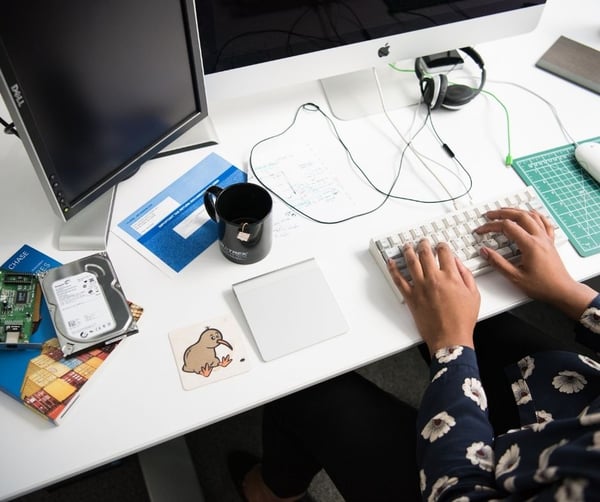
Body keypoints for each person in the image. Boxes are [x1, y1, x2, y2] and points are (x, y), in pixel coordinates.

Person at [228, 208, 600, 501]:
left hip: (474, 485)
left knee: (305, 391)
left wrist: (451, 344)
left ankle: (272, 493)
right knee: (449, 298)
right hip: (574, 402)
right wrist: (567, 291)